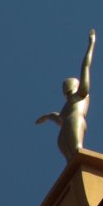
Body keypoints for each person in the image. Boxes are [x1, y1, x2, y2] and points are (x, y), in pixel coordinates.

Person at [36, 29, 96, 162]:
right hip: (64, 130)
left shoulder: (81, 94)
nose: (65, 88)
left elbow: (85, 66)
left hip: (75, 120)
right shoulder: (65, 108)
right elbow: (55, 116)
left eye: (68, 85)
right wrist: (46, 117)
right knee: (70, 161)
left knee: (78, 151)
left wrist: (91, 44)